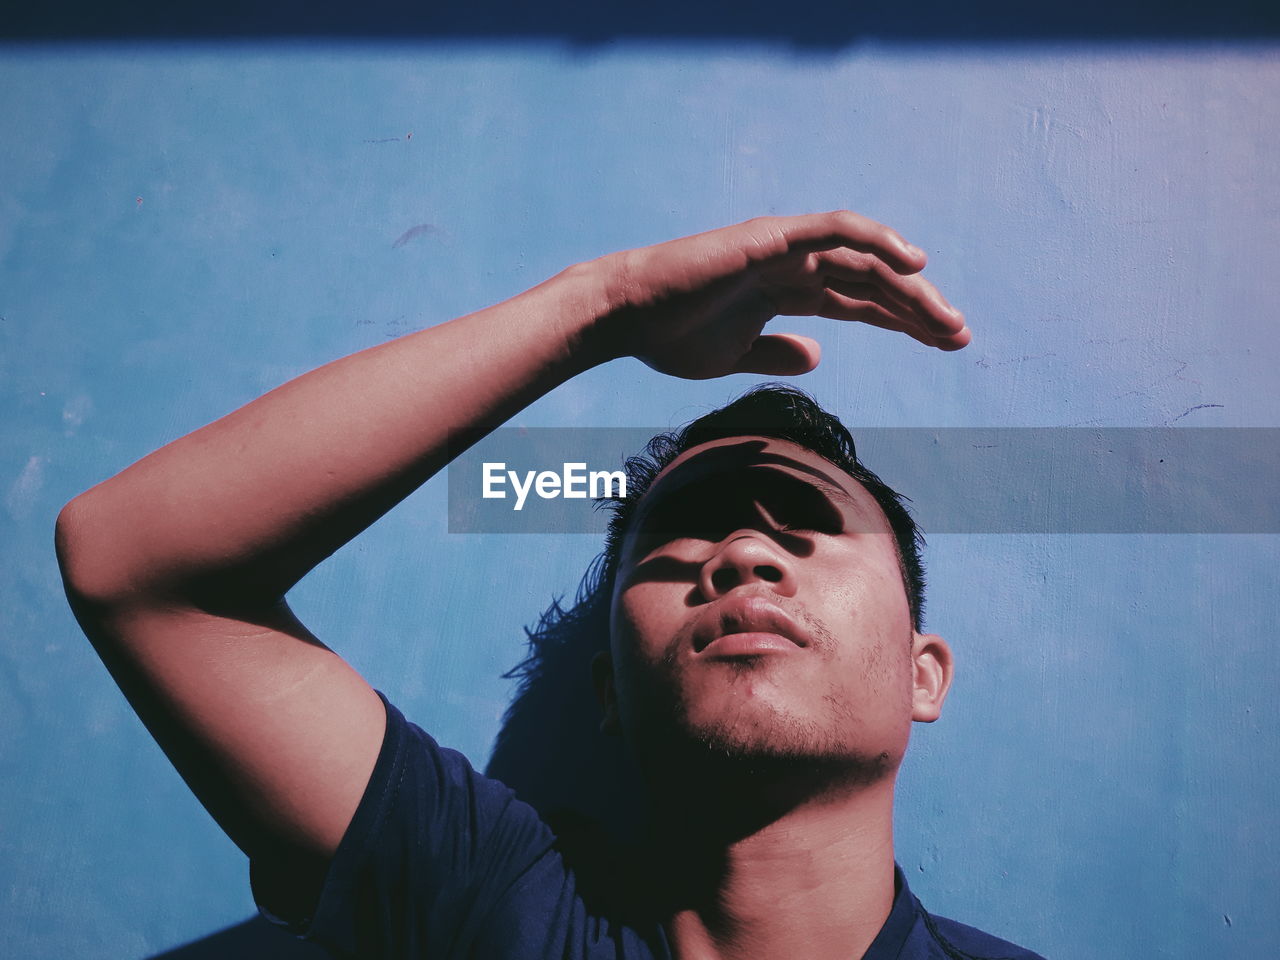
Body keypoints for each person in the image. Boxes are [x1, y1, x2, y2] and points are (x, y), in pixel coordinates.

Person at [55, 211, 1046, 959]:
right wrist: (598, 308)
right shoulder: (496, 902)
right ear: (609, 694)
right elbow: (133, 563)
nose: (741, 556)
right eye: (682, 531)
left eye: (807, 524)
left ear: (924, 675)